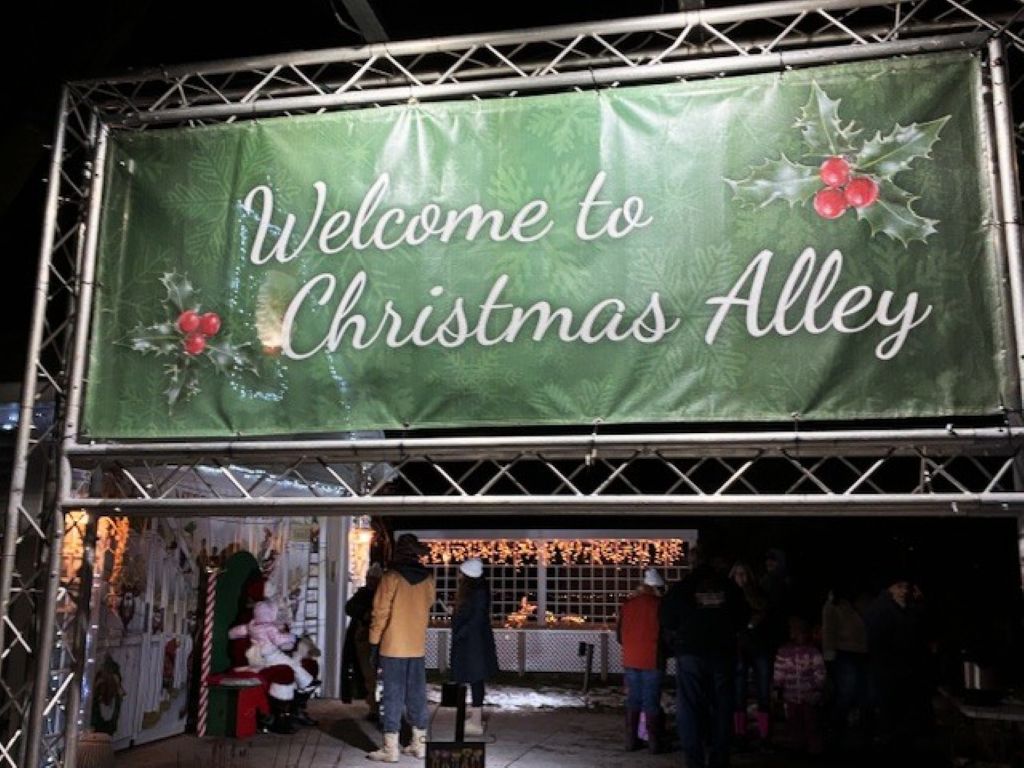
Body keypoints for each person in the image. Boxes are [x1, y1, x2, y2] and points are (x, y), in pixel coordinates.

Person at [660, 548, 748, 768]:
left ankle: (694, 758)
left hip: (690, 652)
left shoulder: (681, 588)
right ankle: (719, 756)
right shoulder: (728, 587)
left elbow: (667, 619)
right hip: (721, 652)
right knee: (722, 705)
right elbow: (742, 617)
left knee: (689, 705)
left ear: (692, 562)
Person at [367, 534, 436, 762]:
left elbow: (380, 612)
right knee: (416, 693)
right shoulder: (427, 579)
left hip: (393, 645)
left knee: (392, 695)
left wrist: (374, 640)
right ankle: (419, 743)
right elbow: (428, 606)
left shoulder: (391, 577)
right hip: (416, 645)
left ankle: (391, 748)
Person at [863, 573, 933, 760]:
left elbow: (914, 630)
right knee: (892, 713)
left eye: (905, 587)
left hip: (898, 668)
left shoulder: (898, 607)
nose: (904, 591)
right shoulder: (883, 608)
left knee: (898, 714)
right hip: (890, 669)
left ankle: (896, 746)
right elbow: (896, 637)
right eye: (899, 587)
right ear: (889, 588)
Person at [617, 567, 666, 753]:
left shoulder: (628, 605)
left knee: (633, 699)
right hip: (652, 658)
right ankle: (654, 742)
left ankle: (631, 740)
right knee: (651, 701)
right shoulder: (659, 606)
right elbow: (665, 635)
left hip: (631, 658)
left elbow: (619, 635)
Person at [449, 557, 499, 736]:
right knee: (474, 679)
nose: (459, 576)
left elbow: (475, 618)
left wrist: (460, 630)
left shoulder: (476, 593)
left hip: (473, 644)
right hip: (474, 642)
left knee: (475, 678)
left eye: (461, 573)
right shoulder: (479, 591)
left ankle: (475, 720)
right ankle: (474, 717)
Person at [728, 562, 771, 747]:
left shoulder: (758, 594)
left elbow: (765, 612)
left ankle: (764, 734)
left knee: (763, 691)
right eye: (737, 574)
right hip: (738, 648)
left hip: (759, 647)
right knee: (739, 692)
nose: (741, 578)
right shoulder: (729, 596)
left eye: (744, 574)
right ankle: (740, 733)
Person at [821, 581, 868, 747]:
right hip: (844, 652)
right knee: (845, 692)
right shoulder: (833, 606)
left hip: (860, 653)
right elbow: (828, 631)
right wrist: (829, 656)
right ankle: (835, 727)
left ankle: (851, 730)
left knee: (859, 693)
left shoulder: (857, 604)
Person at [773, 616, 826, 754]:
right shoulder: (784, 652)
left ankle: (815, 747)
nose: (798, 634)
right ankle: (798, 745)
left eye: (800, 631)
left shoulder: (813, 652)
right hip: (791, 696)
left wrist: (818, 689)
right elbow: (779, 671)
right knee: (794, 723)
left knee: (812, 722)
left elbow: (819, 671)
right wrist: (777, 686)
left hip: (809, 695)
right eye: (795, 631)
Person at [342, 562, 382, 720]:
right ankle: (374, 707)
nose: (371, 581)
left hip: (379, 639)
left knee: (376, 675)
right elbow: (349, 607)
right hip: (365, 639)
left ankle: (378, 706)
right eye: (369, 578)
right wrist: (365, 614)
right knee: (369, 674)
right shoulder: (364, 594)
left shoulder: (382, 594)